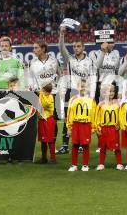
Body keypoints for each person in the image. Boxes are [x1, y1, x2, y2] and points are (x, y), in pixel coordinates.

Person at [57, 26, 97, 155]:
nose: (76, 48)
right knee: (68, 118)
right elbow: (61, 48)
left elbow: (92, 78)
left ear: (83, 47)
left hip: (84, 94)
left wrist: (91, 95)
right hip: (72, 91)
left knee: (82, 118)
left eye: (78, 46)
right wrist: (62, 35)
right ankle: (64, 145)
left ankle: (80, 144)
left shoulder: (90, 61)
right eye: (74, 46)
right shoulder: (70, 59)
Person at [29, 40, 61, 151]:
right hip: (40, 95)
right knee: (42, 120)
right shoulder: (32, 63)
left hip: (54, 94)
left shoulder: (54, 61)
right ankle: (43, 143)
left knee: (54, 120)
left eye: (36, 48)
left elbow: (60, 75)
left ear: (43, 49)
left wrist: (59, 88)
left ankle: (53, 144)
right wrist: (34, 90)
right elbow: (31, 79)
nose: (34, 50)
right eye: (34, 48)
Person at [66, 79, 97, 172]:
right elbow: (69, 114)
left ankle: (85, 165)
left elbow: (94, 114)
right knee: (75, 145)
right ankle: (74, 165)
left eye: (85, 86)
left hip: (86, 125)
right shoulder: (73, 99)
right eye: (81, 86)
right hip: (75, 124)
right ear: (77, 87)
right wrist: (69, 127)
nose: (83, 88)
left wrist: (93, 127)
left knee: (85, 145)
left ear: (88, 88)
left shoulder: (91, 100)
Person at [94, 82, 123, 171]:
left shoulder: (117, 104)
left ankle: (119, 163)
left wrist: (119, 125)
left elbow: (121, 115)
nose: (111, 93)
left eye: (112, 91)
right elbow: (97, 117)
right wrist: (97, 128)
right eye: (109, 91)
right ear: (103, 93)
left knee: (116, 147)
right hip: (104, 129)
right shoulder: (101, 104)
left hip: (113, 129)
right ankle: (101, 164)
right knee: (103, 147)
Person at [36, 83, 56, 164]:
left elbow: (45, 104)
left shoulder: (50, 97)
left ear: (48, 92)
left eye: (44, 91)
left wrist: (41, 94)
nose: (42, 92)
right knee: (43, 140)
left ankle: (53, 158)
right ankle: (43, 158)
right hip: (42, 120)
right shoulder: (42, 95)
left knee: (50, 140)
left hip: (48, 120)